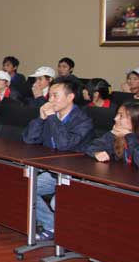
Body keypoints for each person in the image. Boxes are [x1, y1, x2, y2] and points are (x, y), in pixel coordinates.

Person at [22, 77, 95, 241]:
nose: (51, 100)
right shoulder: (51, 116)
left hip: (75, 175)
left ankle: (64, 231)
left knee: (57, 202)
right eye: (50, 95)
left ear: (70, 97)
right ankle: (52, 225)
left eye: (55, 95)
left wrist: (52, 118)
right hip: (53, 171)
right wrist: (40, 119)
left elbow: (64, 145)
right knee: (24, 187)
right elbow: (29, 139)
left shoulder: (83, 121)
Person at [85, 101, 139, 166]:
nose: (115, 118)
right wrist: (96, 153)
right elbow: (91, 146)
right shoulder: (115, 133)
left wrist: (130, 136)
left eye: (121, 116)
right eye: (117, 114)